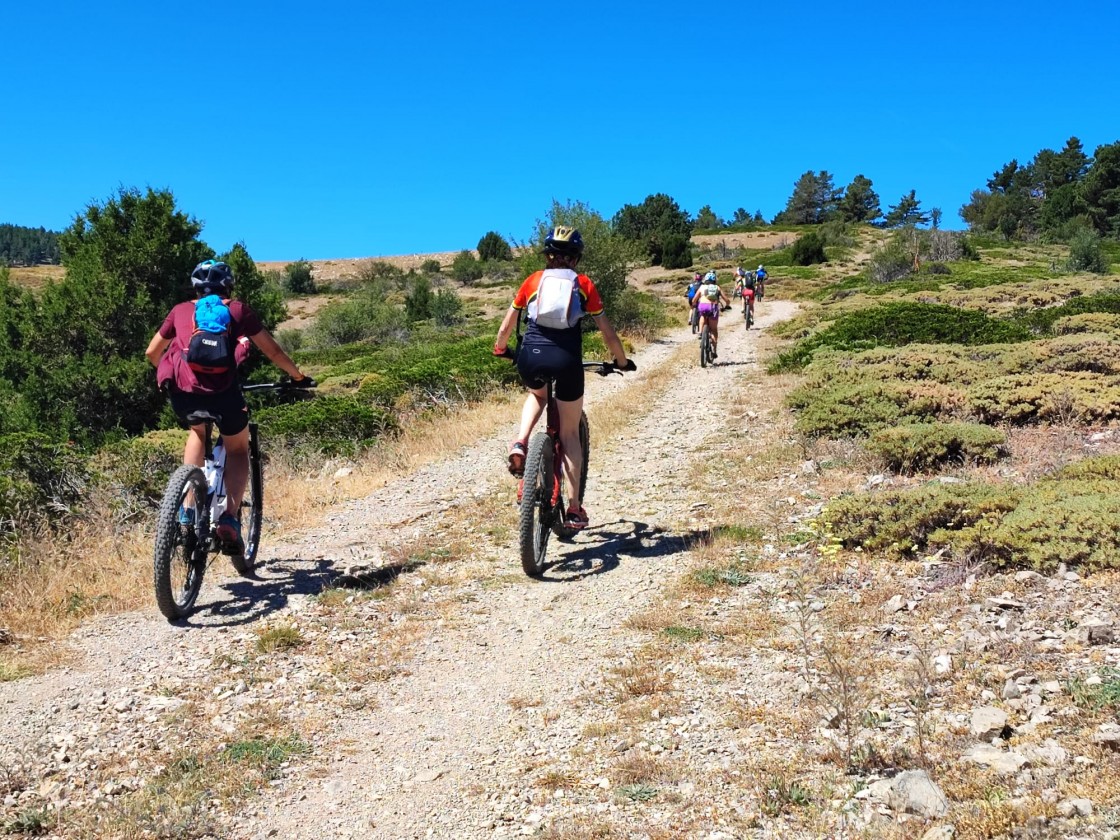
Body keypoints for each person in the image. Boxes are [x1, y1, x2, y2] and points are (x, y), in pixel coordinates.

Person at [145, 259, 312, 551]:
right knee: (236, 449)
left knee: (197, 432)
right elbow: (272, 350)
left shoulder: (181, 311)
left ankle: (186, 513)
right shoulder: (237, 309)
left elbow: (151, 352)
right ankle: (229, 518)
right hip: (224, 394)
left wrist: (177, 375)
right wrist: (297, 376)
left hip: (184, 394)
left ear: (196, 288)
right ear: (228, 285)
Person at [492, 227, 633, 530]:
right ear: (576, 258)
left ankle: (520, 442)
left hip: (531, 354)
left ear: (548, 255)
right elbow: (607, 332)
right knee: (569, 434)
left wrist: (500, 348)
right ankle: (574, 508)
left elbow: (506, 326)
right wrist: (621, 360)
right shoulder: (583, 284)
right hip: (566, 359)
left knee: (538, 395)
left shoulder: (532, 281)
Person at [696, 271, 731, 358]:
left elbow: (694, 299)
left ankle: (700, 332)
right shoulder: (717, 287)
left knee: (702, 316)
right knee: (714, 329)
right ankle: (714, 350)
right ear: (715, 280)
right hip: (713, 308)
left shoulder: (702, 287)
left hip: (703, 306)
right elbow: (726, 300)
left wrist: (694, 304)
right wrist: (727, 305)